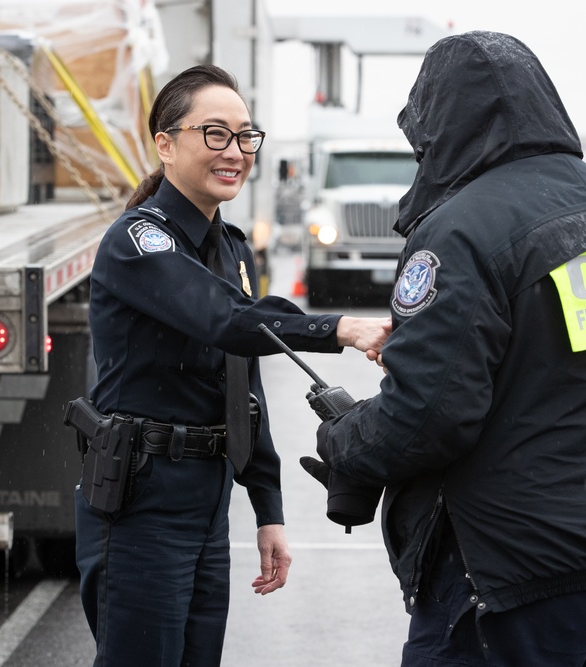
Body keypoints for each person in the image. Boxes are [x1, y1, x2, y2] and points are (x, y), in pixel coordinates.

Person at [313, 32, 586, 666]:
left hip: (520, 565)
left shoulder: (461, 228)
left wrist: (346, 440)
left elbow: (426, 418)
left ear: (438, 124)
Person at [75, 64, 390, 667]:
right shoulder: (139, 242)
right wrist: (341, 328)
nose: (236, 151)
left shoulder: (233, 247)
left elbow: (242, 384)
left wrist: (266, 510)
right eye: (215, 134)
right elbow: (225, 320)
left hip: (206, 500)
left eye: (246, 136)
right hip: (141, 500)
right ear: (165, 145)